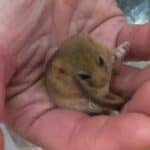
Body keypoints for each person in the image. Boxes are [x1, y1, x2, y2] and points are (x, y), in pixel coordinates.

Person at [0, 0, 150, 149]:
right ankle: (105, 107)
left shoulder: (93, 46)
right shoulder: (61, 79)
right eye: (85, 76)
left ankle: (106, 81)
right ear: (60, 72)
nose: (102, 79)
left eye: (100, 62)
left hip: (95, 86)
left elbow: (100, 59)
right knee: (97, 107)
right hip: (78, 98)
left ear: (90, 40)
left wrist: (110, 59)